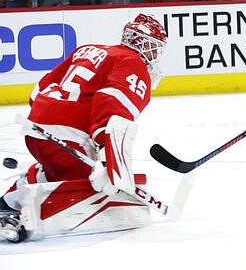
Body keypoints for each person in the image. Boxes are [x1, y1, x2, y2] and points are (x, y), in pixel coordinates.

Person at [0, 13, 168, 242]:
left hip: (36, 127)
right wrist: (104, 155)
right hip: (65, 134)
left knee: (58, 171)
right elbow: (112, 104)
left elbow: (40, 88)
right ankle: (23, 217)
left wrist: (45, 118)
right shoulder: (132, 63)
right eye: (154, 47)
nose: (155, 55)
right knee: (91, 182)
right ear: (141, 42)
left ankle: (7, 202)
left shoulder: (89, 49)